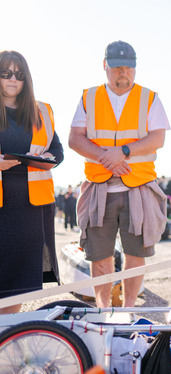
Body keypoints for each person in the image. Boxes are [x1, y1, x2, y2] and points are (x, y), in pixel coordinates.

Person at [69, 40, 170, 308]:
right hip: (99, 188)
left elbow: (158, 138)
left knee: (135, 254)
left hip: (137, 187)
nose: (122, 72)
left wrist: (122, 151)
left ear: (135, 68)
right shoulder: (88, 97)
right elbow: (75, 139)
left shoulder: (150, 98)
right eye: (116, 67)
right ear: (105, 66)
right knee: (99, 255)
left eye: (128, 67)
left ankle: (127, 311)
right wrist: (108, 158)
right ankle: (103, 311)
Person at [0, 50, 63, 314]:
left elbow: (58, 150)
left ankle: (7, 334)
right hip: (2, 206)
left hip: (30, 207)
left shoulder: (42, 110)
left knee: (19, 281)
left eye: (19, 74)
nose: (13, 79)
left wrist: (48, 157)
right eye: (6, 73)